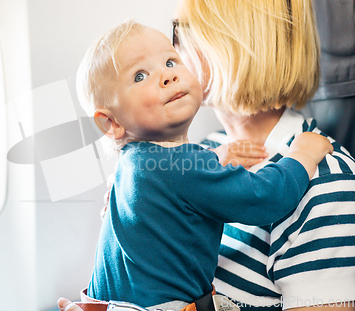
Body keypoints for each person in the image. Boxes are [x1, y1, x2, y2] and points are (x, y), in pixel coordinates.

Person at [73, 19, 332, 310]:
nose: (166, 76)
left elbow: (176, 185)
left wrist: (213, 158)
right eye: (140, 75)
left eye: (171, 61)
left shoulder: (134, 163)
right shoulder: (182, 167)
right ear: (112, 123)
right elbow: (267, 197)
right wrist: (304, 154)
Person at [172, 0, 355, 310]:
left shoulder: (325, 186)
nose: (172, 52)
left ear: (234, 42)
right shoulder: (203, 151)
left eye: (182, 31)